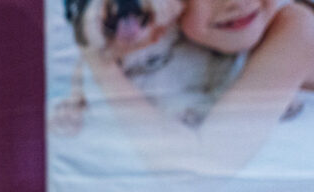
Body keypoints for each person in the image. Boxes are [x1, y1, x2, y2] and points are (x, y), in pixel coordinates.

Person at [82, 0, 314, 172]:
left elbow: (204, 164)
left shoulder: (298, 27)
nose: (239, 3)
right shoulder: (175, 40)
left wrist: (99, 63)